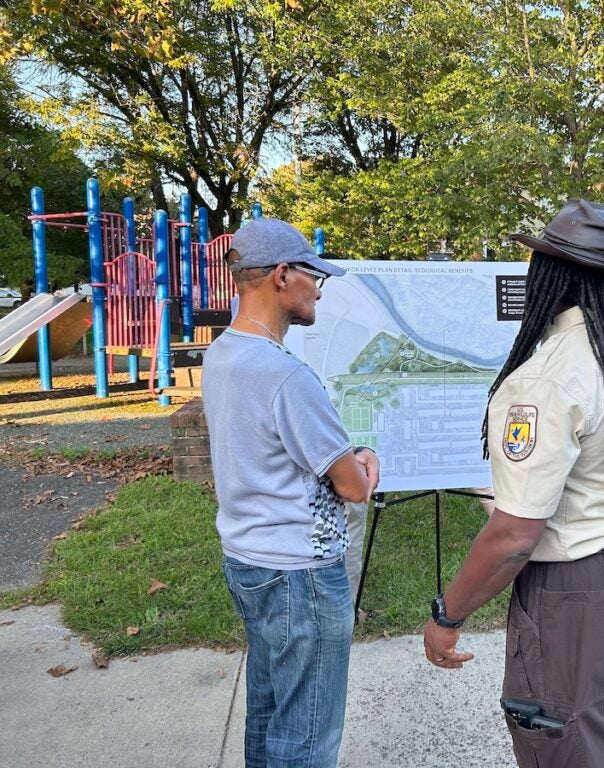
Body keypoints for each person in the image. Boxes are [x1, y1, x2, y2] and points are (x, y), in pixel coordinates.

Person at [423, 199, 604, 767]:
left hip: (574, 581)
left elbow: (514, 537)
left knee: (557, 740)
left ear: (553, 275)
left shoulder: (546, 378)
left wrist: (447, 616)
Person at [201, 217, 380, 768]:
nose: (319, 288)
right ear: (282, 275)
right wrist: (367, 463)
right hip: (300, 574)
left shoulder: (223, 355)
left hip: (250, 560)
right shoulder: (286, 376)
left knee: (271, 711)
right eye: (313, 275)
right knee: (307, 735)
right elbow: (350, 486)